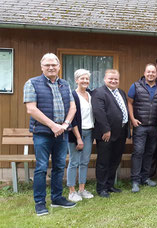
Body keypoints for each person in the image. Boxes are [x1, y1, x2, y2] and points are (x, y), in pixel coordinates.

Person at [24, 53, 77, 216]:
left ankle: (57, 198)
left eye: (54, 64)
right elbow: (31, 109)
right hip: (42, 133)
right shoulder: (32, 83)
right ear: (42, 67)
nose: (51, 67)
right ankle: (40, 202)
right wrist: (53, 125)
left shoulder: (65, 84)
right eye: (47, 65)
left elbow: (73, 107)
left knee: (59, 166)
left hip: (62, 133)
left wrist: (65, 124)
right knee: (41, 167)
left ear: (59, 67)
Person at [92, 69, 130, 198]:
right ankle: (101, 188)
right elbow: (99, 112)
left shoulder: (121, 92)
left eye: (116, 79)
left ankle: (110, 185)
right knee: (104, 161)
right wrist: (106, 130)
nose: (113, 81)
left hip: (121, 133)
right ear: (105, 79)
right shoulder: (99, 92)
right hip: (106, 134)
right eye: (110, 79)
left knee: (115, 160)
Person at [127, 63, 157, 193]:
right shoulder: (136, 86)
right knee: (138, 152)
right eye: (149, 72)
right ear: (144, 73)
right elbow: (129, 103)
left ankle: (145, 177)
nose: (151, 74)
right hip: (140, 126)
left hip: (154, 127)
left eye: (153, 72)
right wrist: (132, 119)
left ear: (156, 74)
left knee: (149, 153)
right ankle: (135, 180)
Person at [66, 69, 94, 202]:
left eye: (87, 79)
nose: (85, 81)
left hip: (89, 132)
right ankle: (72, 191)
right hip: (77, 132)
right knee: (74, 162)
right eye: (82, 78)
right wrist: (78, 138)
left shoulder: (90, 94)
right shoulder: (72, 95)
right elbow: (72, 119)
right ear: (76, 80)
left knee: (84, 162)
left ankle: (82, 189)